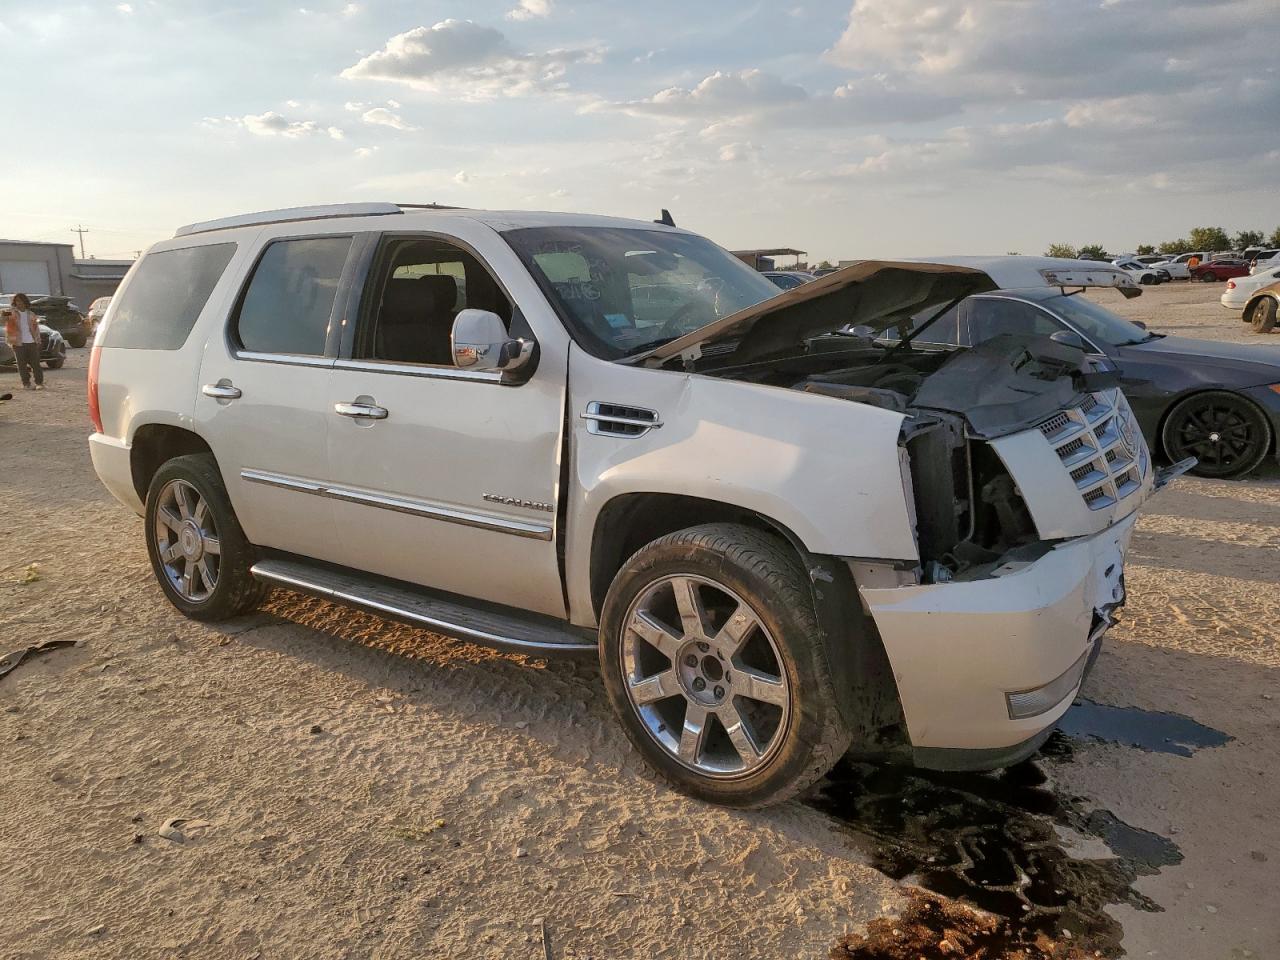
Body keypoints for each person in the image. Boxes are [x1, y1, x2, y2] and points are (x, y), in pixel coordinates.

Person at [4, 293, 45, 390]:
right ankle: (26, 383)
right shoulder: (12, 313)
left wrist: (38, 340)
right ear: (15, 302)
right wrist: (8, 311)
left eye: (21, 301)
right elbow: (2, 318)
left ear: (25, 302)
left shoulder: (31, 314)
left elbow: (36, 328)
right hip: (17, 342)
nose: (19, 303)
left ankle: (39, 383)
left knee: (36, 364)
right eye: (17, 301)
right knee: (21, 364)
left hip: (31, 342)